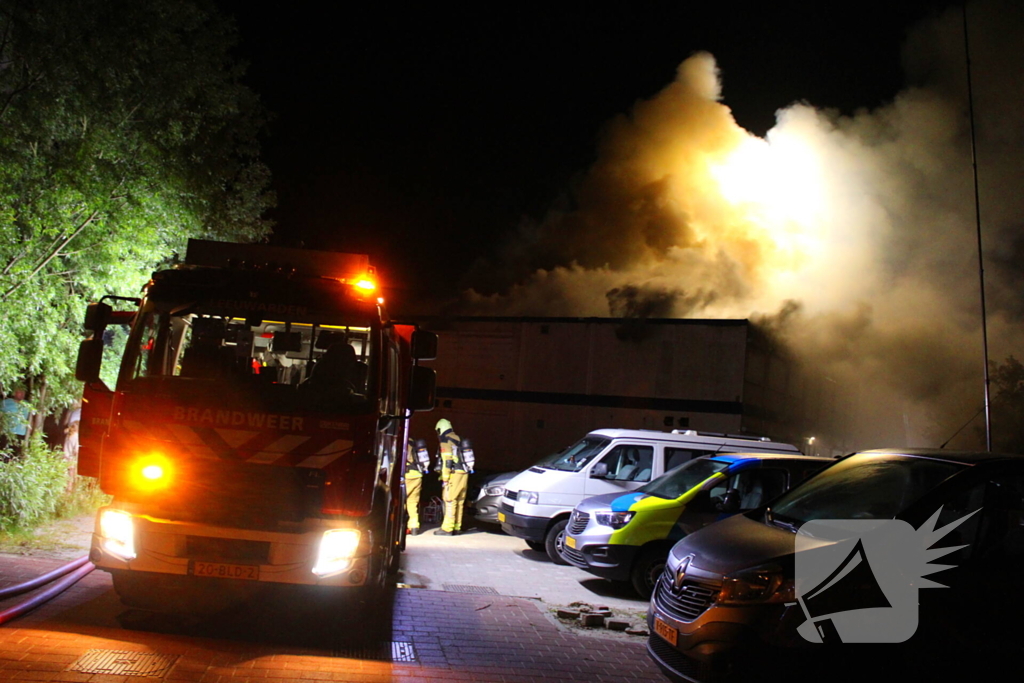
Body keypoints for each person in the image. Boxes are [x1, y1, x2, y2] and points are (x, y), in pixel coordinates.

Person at [435, 418, 470, 536]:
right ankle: (457, 527)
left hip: (454, 474)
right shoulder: (459, 438)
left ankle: (447, 528)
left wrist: (445, 478)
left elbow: (447, 461)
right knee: (459, 501)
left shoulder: (445, 441)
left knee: (449, 500)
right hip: (464, 473)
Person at [405, 438, 430, 535]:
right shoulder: (414, 443)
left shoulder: (403, 442)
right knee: (412, 502)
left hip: (407, 475)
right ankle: (414, 526)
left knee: (400, 501)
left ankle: (400, 526)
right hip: (417, 475)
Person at [1, 388, 31, 461]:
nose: (22, 394)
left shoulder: (28, 405)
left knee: (16, 454)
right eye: (20, 392)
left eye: (23, 392)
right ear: (14, 393)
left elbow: (30, 419)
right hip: (7, 432)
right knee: (5, 453)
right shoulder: (5, 403)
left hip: (21, 433)